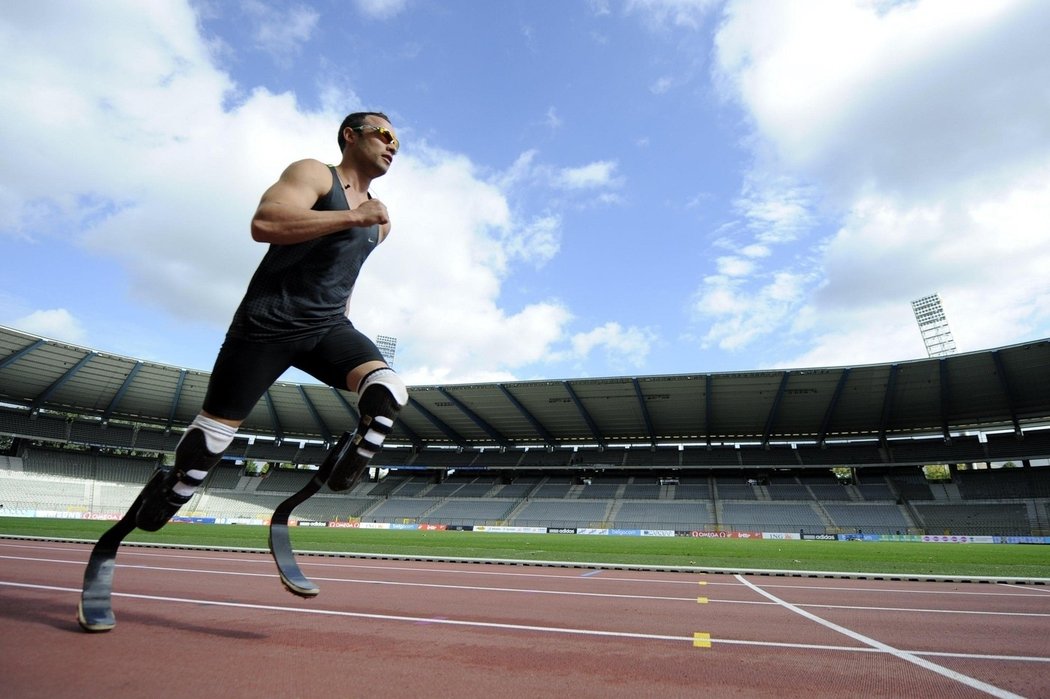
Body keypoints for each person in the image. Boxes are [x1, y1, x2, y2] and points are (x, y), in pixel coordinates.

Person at [133, 111, 408, 532]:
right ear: (350, 136)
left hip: (326, 327)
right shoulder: (315, 174)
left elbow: (346, 271)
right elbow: (266, 223)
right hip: (267, 323)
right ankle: (178, 485)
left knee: (388, 388)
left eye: (398, 143)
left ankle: (352, 459)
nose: (392, 146)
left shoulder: (382, 223)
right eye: (385, 135)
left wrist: (344, 318)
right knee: (213, 437)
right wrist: (353, 217)